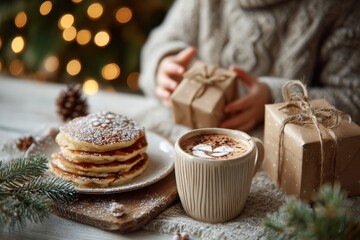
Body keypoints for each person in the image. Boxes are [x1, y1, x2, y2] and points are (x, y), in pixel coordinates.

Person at [139, 0, 360, 132]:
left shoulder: (338, 8)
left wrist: (276, 98)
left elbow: (353, 98)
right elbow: (160, 42)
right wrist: (162, 64)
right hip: (190, 136)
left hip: (277, 159)